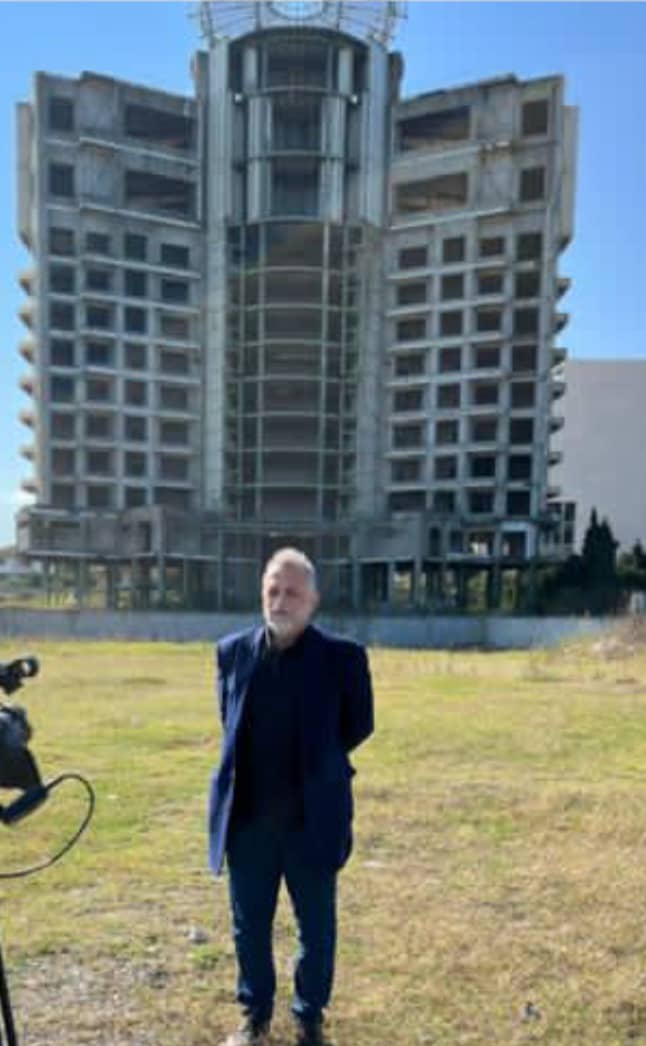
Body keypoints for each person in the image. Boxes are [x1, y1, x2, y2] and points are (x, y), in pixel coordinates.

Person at [208, 547, 374, 1046]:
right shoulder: (232, 652)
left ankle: (309, 1017)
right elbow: (230, 722)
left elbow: (358, 725)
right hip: (248, 822)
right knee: (249, 926)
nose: (281, 601)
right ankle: (254, 1016)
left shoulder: (343, 659)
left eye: (293, 593)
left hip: (312, 819)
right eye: (273, 591)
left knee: (316, 928)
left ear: (313, 600)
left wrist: (317, 764)